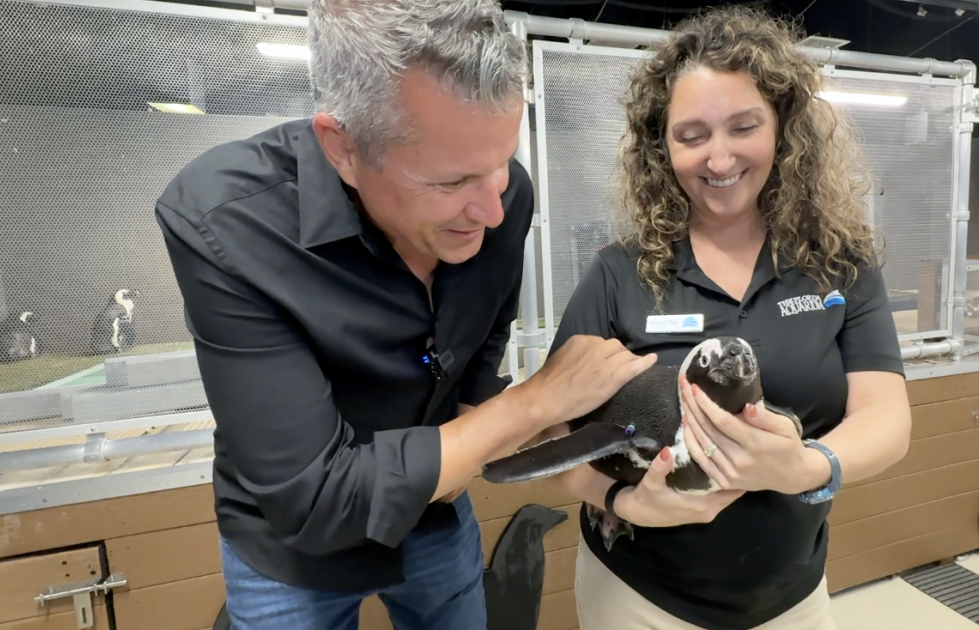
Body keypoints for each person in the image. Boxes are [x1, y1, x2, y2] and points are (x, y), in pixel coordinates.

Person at [154, 1, 656, 629]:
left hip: (436, 516)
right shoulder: (226, 220)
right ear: (342, 149)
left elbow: (484, 328)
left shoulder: (505, 194)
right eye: (450, 183)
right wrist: (534, 403)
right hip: (293, 547)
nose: (493, 212)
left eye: (499, 163)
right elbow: (316, 497)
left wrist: (481, 414)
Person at [543, 6, 913, 630]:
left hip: (791, 595)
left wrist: (809, 466)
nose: (719, 160)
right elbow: (552, 434)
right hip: (640, 596)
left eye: (743, 127)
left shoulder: (838, 266)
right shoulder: (618, 274)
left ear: (784, 128)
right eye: (692, 136)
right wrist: (624, 499)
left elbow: (886, 416)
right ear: (662, 146)